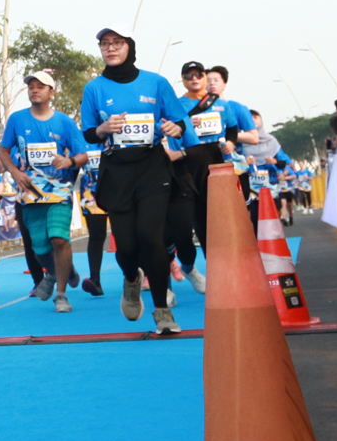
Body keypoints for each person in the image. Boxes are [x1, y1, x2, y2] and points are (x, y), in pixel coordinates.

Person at [79, 27, 189, 335]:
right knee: (126, 246)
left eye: (117, 42)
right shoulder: (94, 88)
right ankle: (131, 278)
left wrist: (175, 129)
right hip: (116, 170)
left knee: (151, 238)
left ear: (129, 46)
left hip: (152, 166)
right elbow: (88, 133)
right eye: (104, 43)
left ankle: (162, 310)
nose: (110, 48)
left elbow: (179, 121)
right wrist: (103, 129)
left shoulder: (156, 82)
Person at [0, 71, 83, 312]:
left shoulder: (65, 122)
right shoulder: (17, 119)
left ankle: (61, 295)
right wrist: (15, 173)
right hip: (30, 194)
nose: (34, 89)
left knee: (59, 239)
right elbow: (3, 150)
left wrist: (69, 161)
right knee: (40, 250)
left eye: (41, 86)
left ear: (51, 92)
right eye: (31, 86)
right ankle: (58, 271)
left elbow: (83, 155)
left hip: (59, 191)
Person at [168, 63, 256, 283]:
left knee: (217, 223)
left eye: (199, 75)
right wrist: (186, 125)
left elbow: (232, 129)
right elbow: (172, 136)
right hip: (187, 169)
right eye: (189, 76)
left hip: (217, 168)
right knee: (191, 225)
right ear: (183, 80)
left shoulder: (222, 105)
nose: (194, 79)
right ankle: (192, 266)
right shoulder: (176, 106)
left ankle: (226, 274)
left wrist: (231, 143)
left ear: (205, 78)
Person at [76, 140, 107, 296]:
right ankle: (95, 279)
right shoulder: (82, 139)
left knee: (126, 237)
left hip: (120, 192)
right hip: (91, 195)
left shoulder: (120, 135)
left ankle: (133, 276)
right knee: (96, 235)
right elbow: (73, 166)